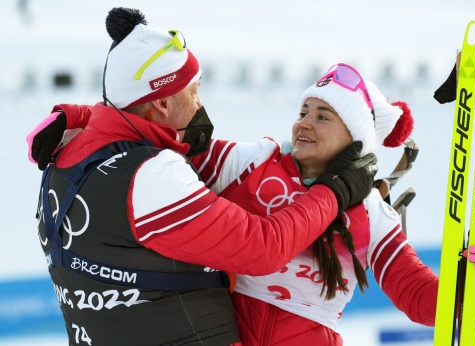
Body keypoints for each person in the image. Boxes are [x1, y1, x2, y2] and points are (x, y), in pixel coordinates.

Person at [29, 63, 475, 345]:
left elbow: (420, 300)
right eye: (302, 111)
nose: (303, 124)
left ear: (354, 137)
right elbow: (158, 135)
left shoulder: (371, 214)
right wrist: (82, 118)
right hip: (225, 328)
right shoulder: (251, 161)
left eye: (323, 116)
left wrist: (469, 284)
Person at [26, 8, 378, 346]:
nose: (199, 106)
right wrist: (334, 190)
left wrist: (80, 114)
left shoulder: (68, 152)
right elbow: (263, 248)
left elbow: (120, 112)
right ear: (162, 104)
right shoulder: (151, 175)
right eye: (192, 93)